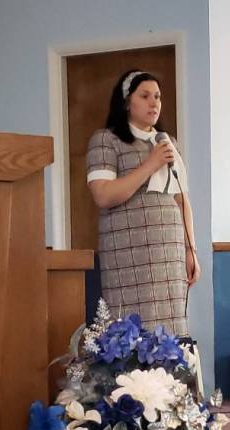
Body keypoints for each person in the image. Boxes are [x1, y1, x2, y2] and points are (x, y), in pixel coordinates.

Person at [86, 69, 200, 336]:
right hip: (129, 254)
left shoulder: (167, 142)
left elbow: (182, 199)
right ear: (127, 101)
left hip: (169, 254)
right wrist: (150, 164)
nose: (154, 103)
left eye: (157, 97)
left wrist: (191, 250)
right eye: (145, 96)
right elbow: (103, 195)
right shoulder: (105, 140)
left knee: (171, 333)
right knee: (132, 334)